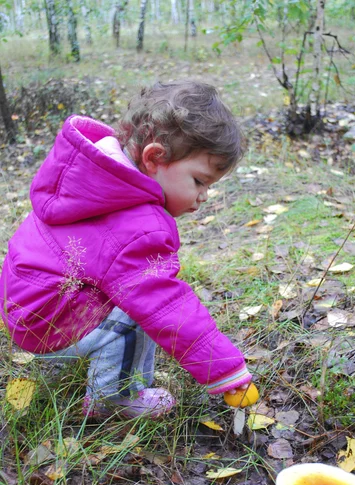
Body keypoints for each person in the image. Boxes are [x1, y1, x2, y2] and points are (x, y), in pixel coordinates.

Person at [0, 80, 253, 420]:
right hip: (48, 325)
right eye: (199, 181)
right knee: (138, 309)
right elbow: (165, 305)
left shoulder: (95, 176)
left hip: (26, 311)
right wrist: (222, 369)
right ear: (155, 157)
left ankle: (102, 362)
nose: (204, 196)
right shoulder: (136, 224)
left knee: (134, 296)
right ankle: (114, 399)